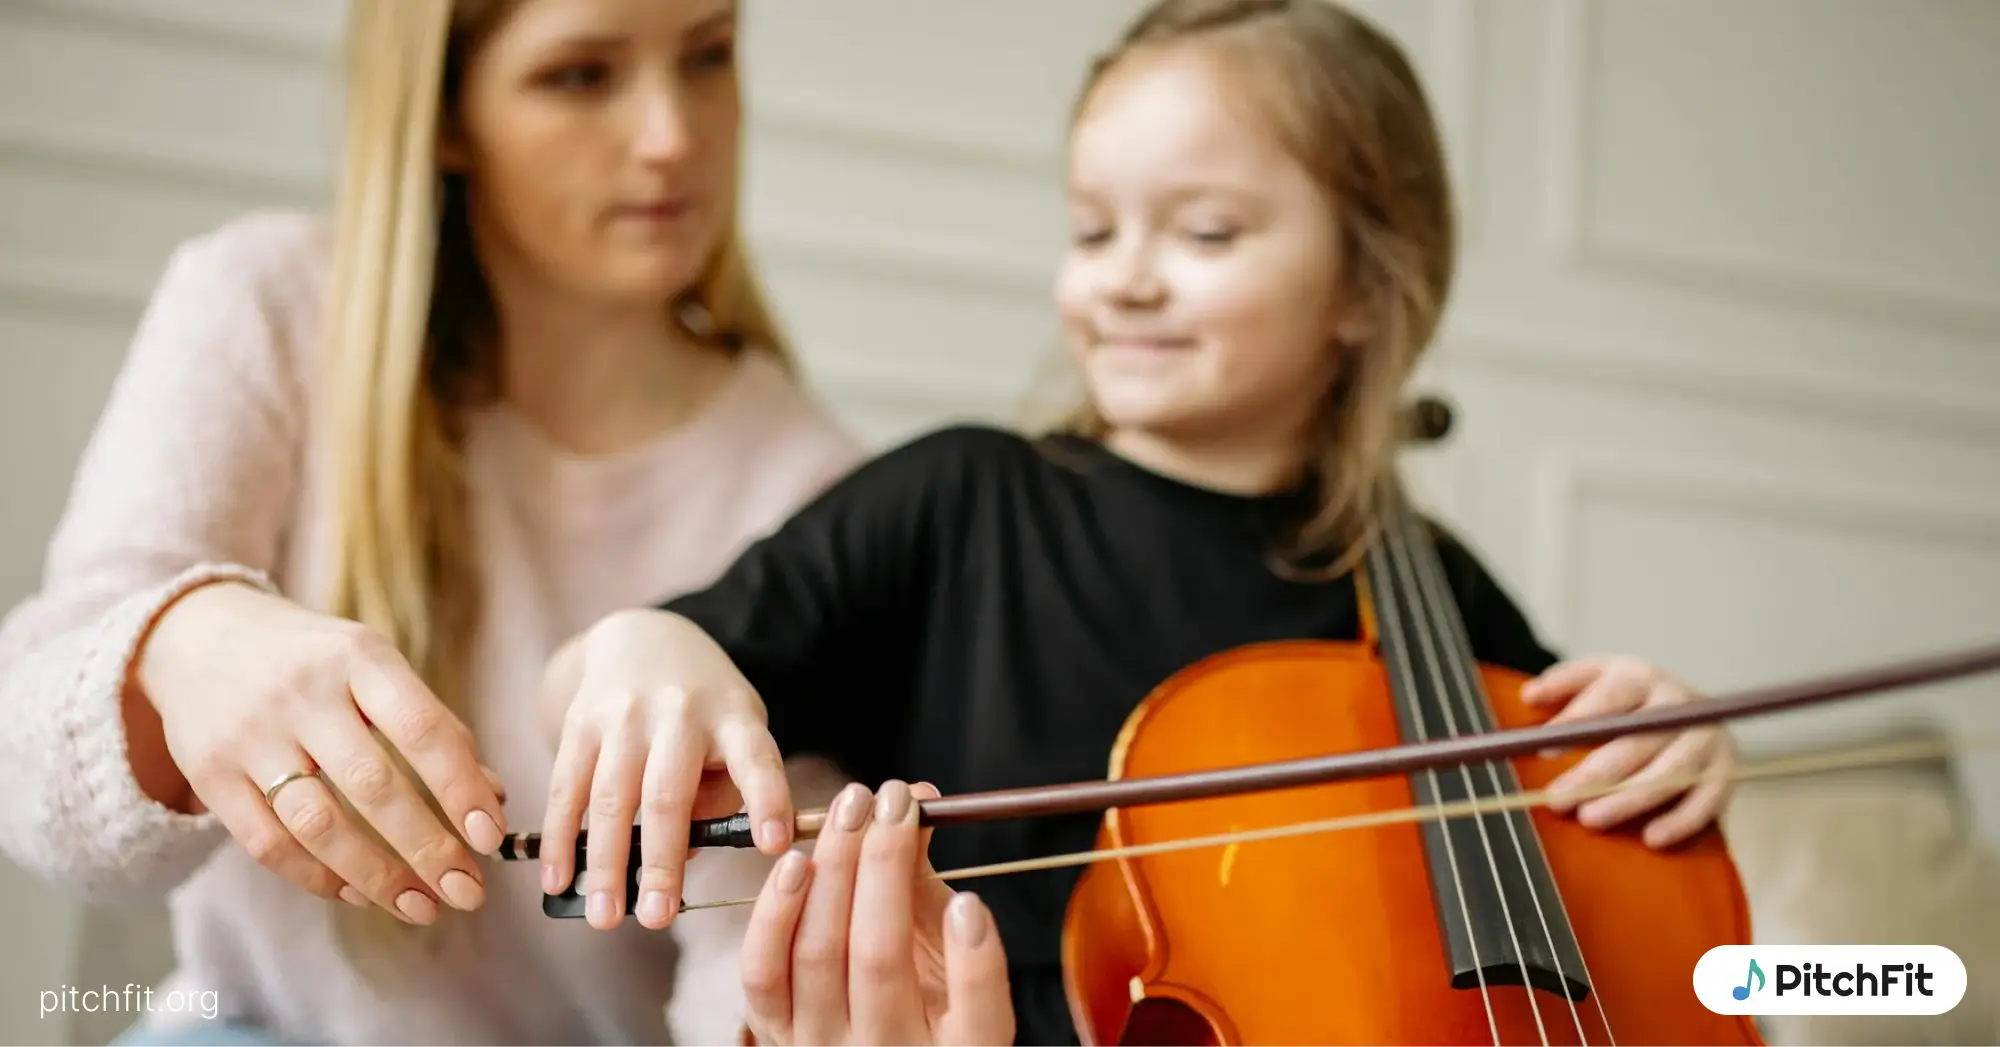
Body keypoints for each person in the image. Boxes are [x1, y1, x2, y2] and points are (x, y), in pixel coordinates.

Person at [537, 0, 1742, 1044]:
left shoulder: (1428, 584)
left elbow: (1606, 874)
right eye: (1092, 228)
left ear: (1366, 287)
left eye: (1203, 233)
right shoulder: (963, 506)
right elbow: (654, 674)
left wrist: (1663, 745)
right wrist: (639, 645)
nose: (1123, 277)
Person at [0, 0, 860, 1044]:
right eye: (582, 75)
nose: (671, 136)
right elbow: (36, 794)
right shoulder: (265, 305)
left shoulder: (817, 485)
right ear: (446, 114)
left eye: (708, 56)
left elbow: (753, 944)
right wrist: (182, 645)